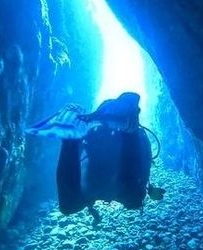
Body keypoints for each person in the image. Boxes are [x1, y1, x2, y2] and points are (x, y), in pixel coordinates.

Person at [27, 92, 163, 221]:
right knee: (134, 200)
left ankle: (70, 140)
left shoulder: (100, 134)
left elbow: (143, 164)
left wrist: (71, 142)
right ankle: (73, 139)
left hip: (99, 182)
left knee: (69, 206)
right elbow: (144, 164)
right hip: (109, 182)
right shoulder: (136, 136)